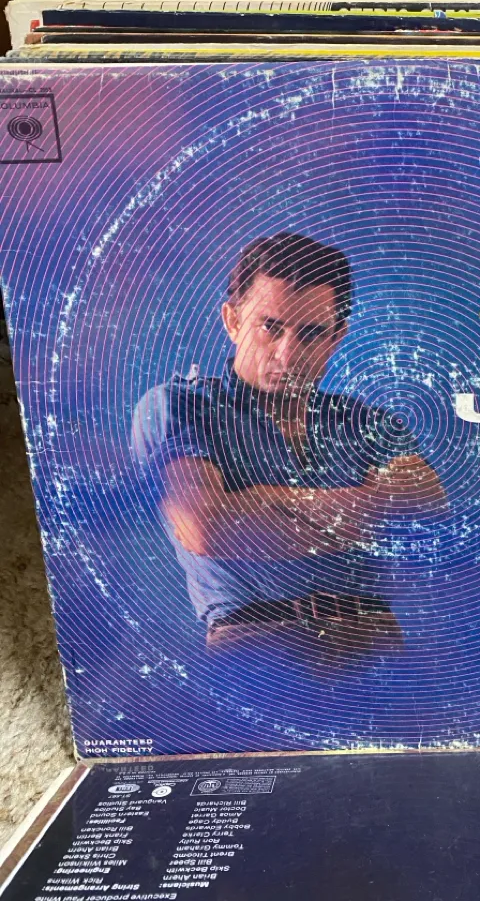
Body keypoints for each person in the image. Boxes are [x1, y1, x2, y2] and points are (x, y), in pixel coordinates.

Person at [132, 233, 447, 670]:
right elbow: (206, 528)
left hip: (377, 647)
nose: (288, 353)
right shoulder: (178, 406)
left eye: (311, 333)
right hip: (255, 651)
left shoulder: (368, 422)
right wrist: (367, 510)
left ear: (337, 337)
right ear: (232, 321)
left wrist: (267, 500)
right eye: (270, 327)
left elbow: (424, 518)